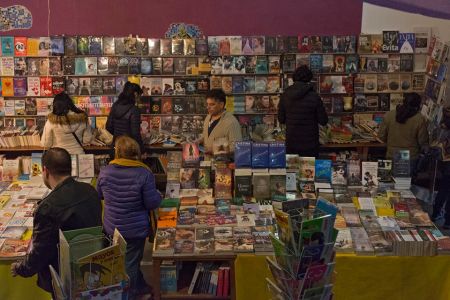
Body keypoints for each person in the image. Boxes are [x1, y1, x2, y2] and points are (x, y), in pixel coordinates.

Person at [10, 148, 102, 297]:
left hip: (64, 277)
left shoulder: (47, 207)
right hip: (93, 266)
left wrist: (21, 268)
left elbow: (41, 252)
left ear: (45, 170)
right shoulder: (90, 190)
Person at [97, 136, 162, 299]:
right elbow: (151, 203)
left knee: (126, 260)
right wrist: (159, 196)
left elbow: (99, 195)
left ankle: (140, 286)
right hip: (135, 229)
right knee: (131, 263)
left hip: (112, 227)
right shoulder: (144, 172)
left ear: (117, 152)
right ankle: (129, 294)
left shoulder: (105, 171)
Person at [278, 65, 328, 157]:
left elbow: (281, 119)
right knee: (309, 170)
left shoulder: (285, 95)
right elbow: (323, 121)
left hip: (292, 141)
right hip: (310, 143)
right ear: (309, 78)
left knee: (293, 170)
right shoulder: (314, 96)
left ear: (294, 78)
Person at [378, 92, 429, 163]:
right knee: (410, 174)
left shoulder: (389, 115)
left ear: (403, 101)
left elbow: (381, 136)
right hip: (411, 157)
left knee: (391, 174)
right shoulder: (419, 119)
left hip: (392, 155)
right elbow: (423, 141)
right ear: (418, 105)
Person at [198, 89, 242, 154]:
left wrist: (215, 151)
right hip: (207, 161)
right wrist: (198, 141)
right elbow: (206, 135)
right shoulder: (208, 117)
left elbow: (236, 147)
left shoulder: (231, 122)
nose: (208, 107)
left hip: (223, 162)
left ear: (221, 105)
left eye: (212, 104)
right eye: (207, 104)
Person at [106, 81, 144, 153]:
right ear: (135, 94)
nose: (139, 99)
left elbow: (108, 127)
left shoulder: (115, 106)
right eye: (139, 96)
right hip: (129, 150)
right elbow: (135, 134)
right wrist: (142, 150)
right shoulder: (134, 110)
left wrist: (118, 136)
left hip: (116, 147)